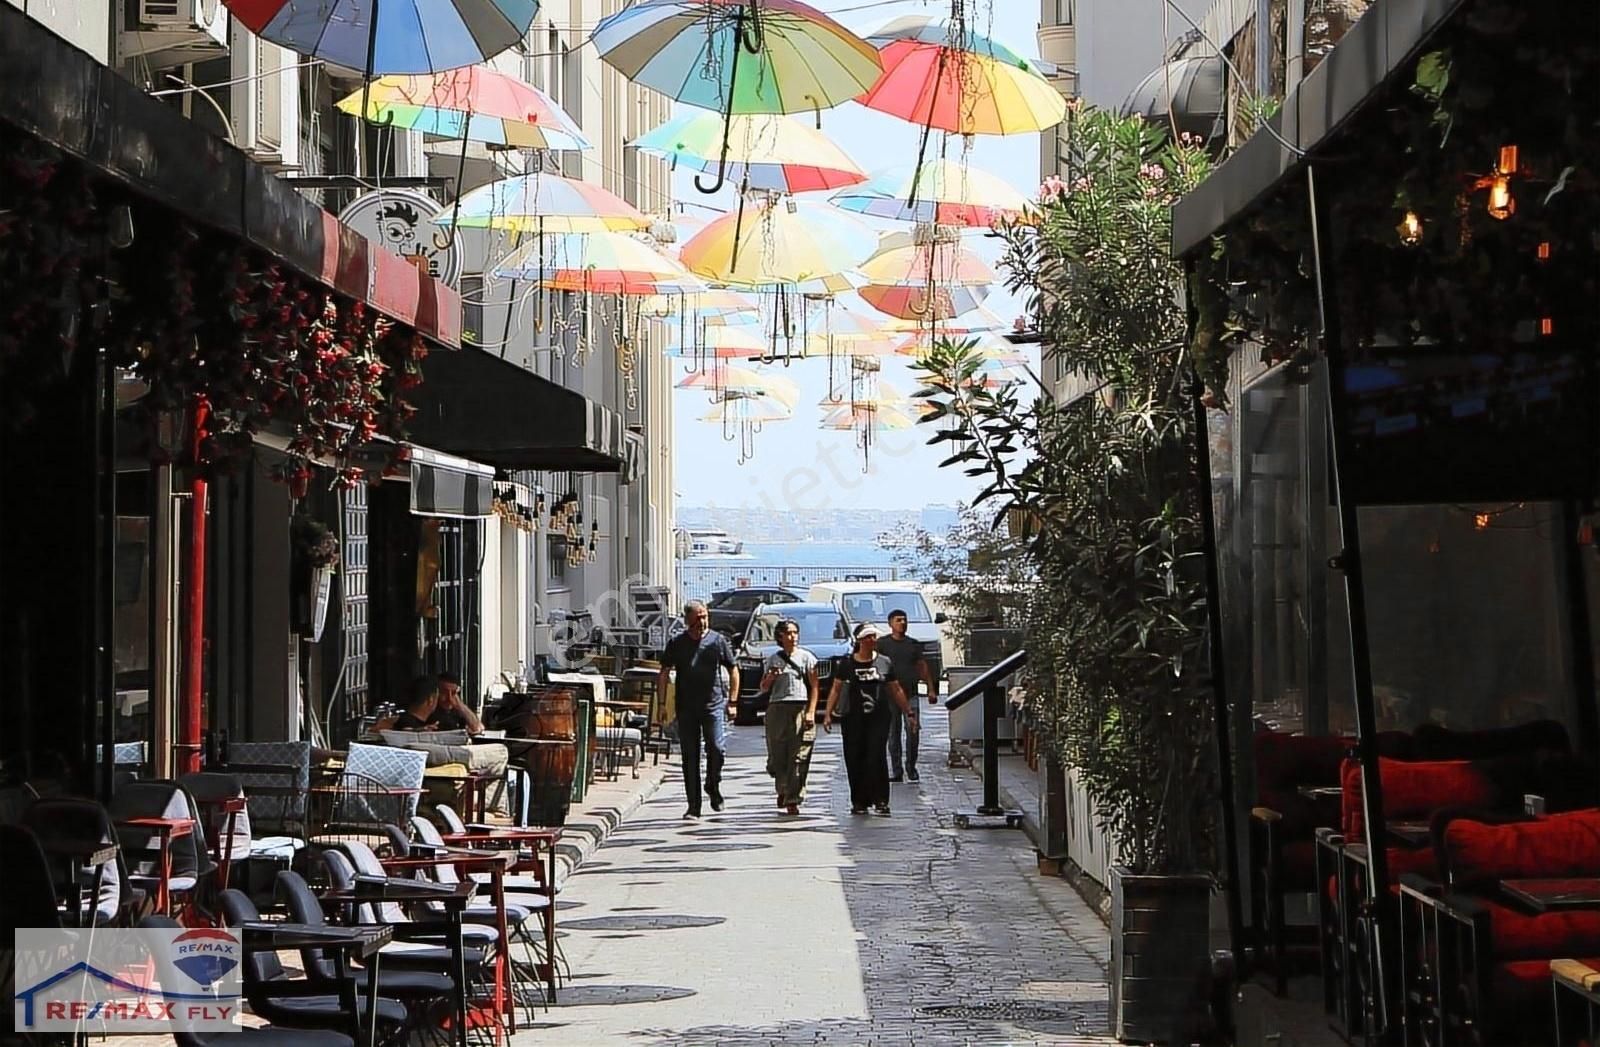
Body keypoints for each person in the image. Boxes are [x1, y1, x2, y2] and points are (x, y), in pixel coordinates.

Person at [658, 600, 739, 818]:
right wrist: (662, 704)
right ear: (688, 620)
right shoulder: (677, 642)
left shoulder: (717, 640)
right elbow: (664, 672)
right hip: (686, 708)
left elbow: (733, 669)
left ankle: (713, 783)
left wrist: (732, 701)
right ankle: (694, 806)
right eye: (698, 618)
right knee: (690, 757)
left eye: (705, 616)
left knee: (716, 748)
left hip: (713, 705)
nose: (702, 622)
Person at [823, 622, 912, 816]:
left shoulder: (884, 662)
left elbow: (895, 688)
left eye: (874, 637)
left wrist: (909, 712)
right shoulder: (846, 664)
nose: (873, 640)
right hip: (853, 718)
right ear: (860, 641)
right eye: (868, 637)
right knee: (855, 758)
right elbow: (836, 689)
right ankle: (859, 801)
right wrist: (828, 713)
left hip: (878, 717)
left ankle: (881, 800)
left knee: (876, 756)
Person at [760, 618, 819, 816]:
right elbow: (764, 687)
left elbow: (814, 687)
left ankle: (793, 798)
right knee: (778, 756)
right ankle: (783, 788)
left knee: (799, 756)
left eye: (795, 632)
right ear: (780, 636)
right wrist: (771, 677)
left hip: (799, 707)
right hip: (778, 708)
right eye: (788, 633)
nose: (792, 637)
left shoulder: (807, 658)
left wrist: (811, 711)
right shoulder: (773, 659)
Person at [876, 609, 938, 782]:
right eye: (898, 620)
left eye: (904, 620)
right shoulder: (883, 644)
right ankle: (897, 770)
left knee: (913, 731)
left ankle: (911, 766)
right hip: (889, 696)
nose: (902, 623)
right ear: (890, 624)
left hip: (910, 694)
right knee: (892, 734)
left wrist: (931, 689)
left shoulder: (913, 645)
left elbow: (922, 667)